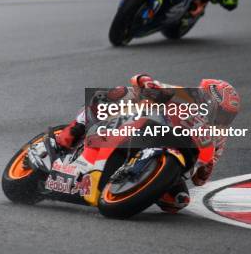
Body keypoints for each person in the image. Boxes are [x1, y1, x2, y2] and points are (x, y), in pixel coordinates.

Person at [54, 73, 240, 213]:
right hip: (141, 127)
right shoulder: (182, 95)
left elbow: (199, 180)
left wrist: (206, 169)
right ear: (208, 99)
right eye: (223, 113)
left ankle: (130, 186)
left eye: (228, 116)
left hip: (175, 151)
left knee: (177, 201)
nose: (224, 119)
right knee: (117, 93)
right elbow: (138, 80)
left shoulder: (219, 136)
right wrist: (147, 83)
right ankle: (76, 126)